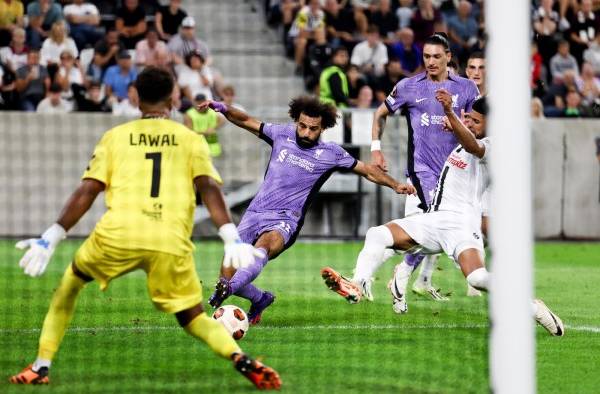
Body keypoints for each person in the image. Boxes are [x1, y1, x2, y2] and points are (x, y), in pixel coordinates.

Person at [8, 66, 281, 390]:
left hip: (118, 235)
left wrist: (51, 236)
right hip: (169, 241)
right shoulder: (190, 139)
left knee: (69, 286)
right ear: (173, 98)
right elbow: (208, 187)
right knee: (193, 317)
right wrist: (230, 236)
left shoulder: (116, 137)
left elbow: (88, 190)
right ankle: (240, 358)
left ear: (135, 97)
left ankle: (41, 366)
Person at [320, 95, 565, 338]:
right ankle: (357, 283)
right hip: (435, 220)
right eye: (468, 119)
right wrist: (457, 123)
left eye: (476, 121)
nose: (470, 124)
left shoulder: (497, 144)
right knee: (377, 234)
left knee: (478, 278)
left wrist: (449, 112)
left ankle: (533, 308)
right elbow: (467, 139)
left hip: (461, 224)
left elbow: (474, 147)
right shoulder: (470, 136)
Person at [199, 95, 416, 324]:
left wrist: (395, 184)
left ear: (323, 128)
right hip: (255, 213)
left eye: (313, 129)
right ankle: (260, 298)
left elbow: (368, 171)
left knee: (259, 251)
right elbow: (246, 120)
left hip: (285, 221)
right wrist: (222, 108)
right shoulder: (281, 134)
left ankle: (226, 290)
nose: (305, 133)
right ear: (296, 121)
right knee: (227, 274)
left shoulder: (331, 153)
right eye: (302, 126)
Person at [334, 33, 480, 305]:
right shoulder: (408, 87)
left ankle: (380, 277)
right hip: (422, 174)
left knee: (421, 237)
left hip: (458, 176)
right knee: (433, 232)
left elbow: (479, 124)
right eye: (426, 56)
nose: (431, 62)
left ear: (449, 57)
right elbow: (380, 114)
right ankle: (371, 280)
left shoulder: (467, 89)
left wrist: (462, 125)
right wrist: (375, 147)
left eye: (437, 56)